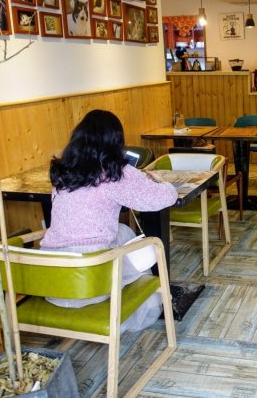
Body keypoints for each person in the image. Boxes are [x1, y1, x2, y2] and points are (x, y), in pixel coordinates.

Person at [40, 109, 178, 330]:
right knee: (144, 243)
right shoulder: (115, 173)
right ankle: (144, 296)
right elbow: (163, 198)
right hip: (91, 282)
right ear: (116, 142)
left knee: (122, 231)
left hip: (52, 280)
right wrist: (163, 182)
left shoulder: (62, 172)